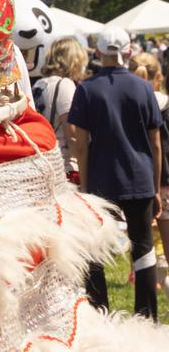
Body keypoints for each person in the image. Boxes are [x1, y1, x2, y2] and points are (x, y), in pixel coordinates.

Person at [69, 26, 163, 320]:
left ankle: (99, 311)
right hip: (139, 177)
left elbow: (80, 145)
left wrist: (84, 186)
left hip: (101, 179)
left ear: (98, 52)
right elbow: (156, 144)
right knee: (144, 249)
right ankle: (147, 315)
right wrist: (156, 187)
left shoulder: (86, 89)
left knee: (95, 251)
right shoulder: (144, 88)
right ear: (127, 52)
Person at [129, 51, 169, 296]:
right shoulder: (164, 103)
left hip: (139, 181)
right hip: (165, 182)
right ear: (160, 76)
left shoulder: (131, 103)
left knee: (142, 244)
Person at [32, 36, 89, 183]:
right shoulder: (65, 84)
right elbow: (72, 135)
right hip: (65, 167)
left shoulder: (39, 83)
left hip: (43, 163)